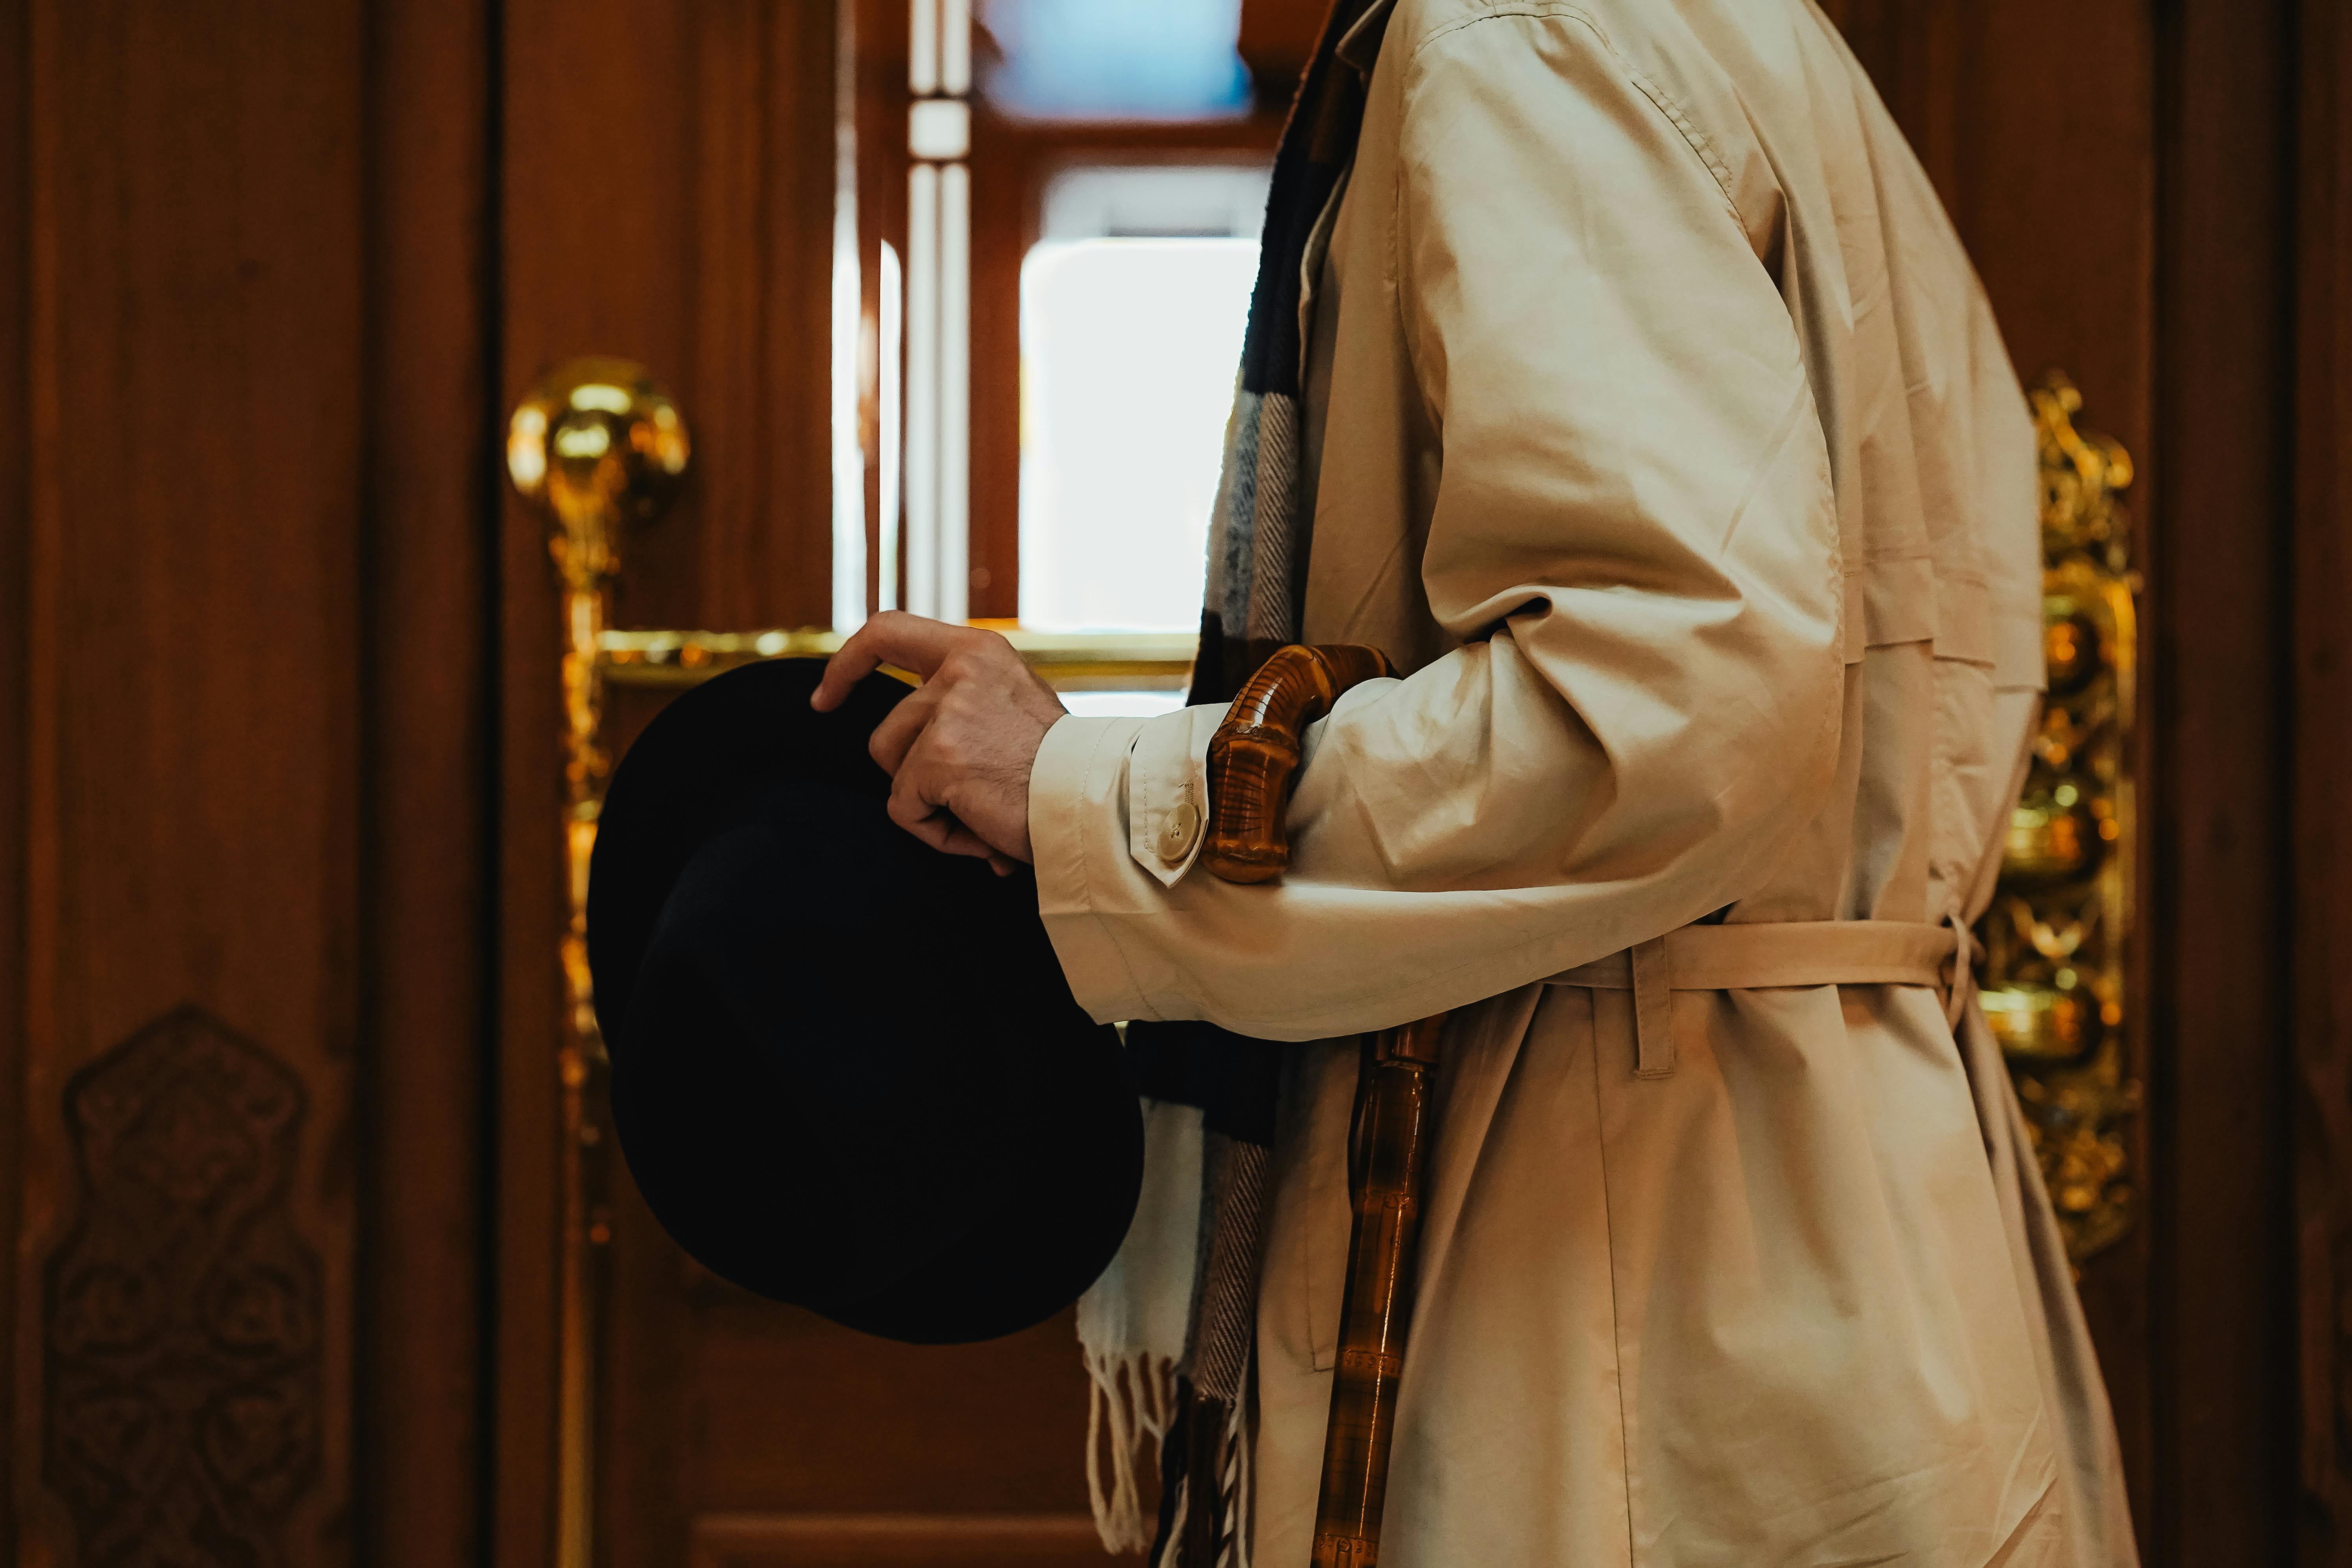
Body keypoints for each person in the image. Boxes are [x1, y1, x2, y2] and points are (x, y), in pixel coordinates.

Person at [813, 0, 2137, 1561]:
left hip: (1630, 1277)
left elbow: (1664, 701)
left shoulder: (1522, 32)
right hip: (1777, 1224)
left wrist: (1090, 799)